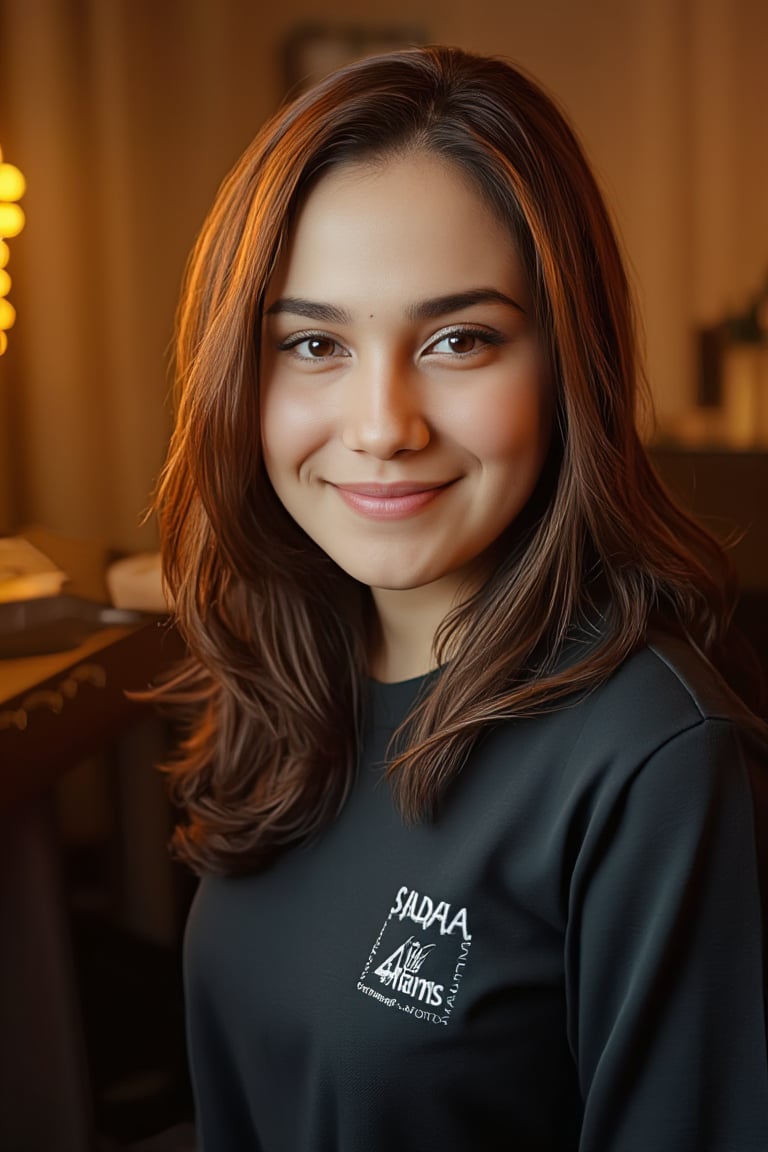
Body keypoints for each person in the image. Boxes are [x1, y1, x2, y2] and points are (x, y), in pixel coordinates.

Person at [153, 44, 768, 1150]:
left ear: (565, 359)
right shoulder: (294, 673)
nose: (385, 425)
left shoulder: (658, 764)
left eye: (459, 339)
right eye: (313, 343)